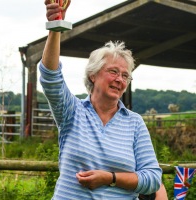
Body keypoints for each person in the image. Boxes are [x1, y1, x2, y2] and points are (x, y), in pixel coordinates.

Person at [40, 1, 162, 199]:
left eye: (125, 76)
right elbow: (50, 77)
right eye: (113, 71)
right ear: (93, 75)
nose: (119, 80)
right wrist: (56, 27)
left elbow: (153, 179)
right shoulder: (73, 111)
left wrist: (110, 178)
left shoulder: (134, 123)